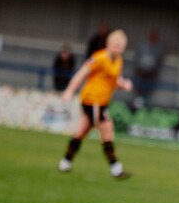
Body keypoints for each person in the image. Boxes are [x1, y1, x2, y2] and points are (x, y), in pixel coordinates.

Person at [58, 29, 134, 179]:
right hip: (93, 100)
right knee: (107, 129)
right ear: (108, 43)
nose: (118, 47)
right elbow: (81, 74)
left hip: (101, 102)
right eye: (115, 44)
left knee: (81, 132)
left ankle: (65, 162)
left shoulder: (119, 61)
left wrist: (124, 84)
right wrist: (69, 91)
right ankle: (116, 169)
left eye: (121, 45)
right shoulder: (99, 58)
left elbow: (114, 80)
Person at [133, 29, 164, 106]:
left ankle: (147, 103)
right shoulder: (143, 45)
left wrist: (156, 70)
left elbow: (160, 60)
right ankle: (137, 103)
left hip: (152, 72)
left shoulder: (159, 47)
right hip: (141, 70)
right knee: (139, 87)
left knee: (149, 89)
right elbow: (137, 56)